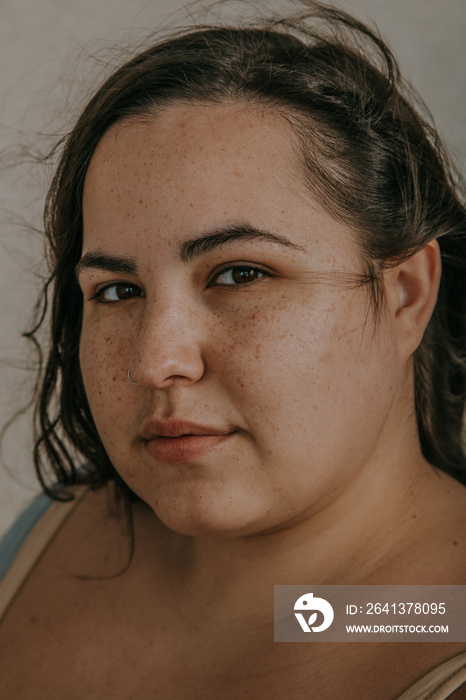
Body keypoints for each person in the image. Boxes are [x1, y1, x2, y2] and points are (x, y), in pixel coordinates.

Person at [1, 1, 466, 697]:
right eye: (118, 290)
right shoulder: (50, 532)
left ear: (405, 294)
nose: (156, 363)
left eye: (240, 274)